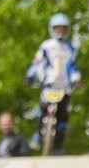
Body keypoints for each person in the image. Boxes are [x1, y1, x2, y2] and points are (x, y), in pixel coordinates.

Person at [24, 12, 81, 155]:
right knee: (43, 110)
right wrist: (31, 75)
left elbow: (73, 67)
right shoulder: (46, 46)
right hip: (48, 85)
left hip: (65, 87)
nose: (60, 31)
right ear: (52, 29)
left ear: (67, 30)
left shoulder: (71, 48)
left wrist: (76, 79)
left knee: (63, 118)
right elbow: (37, 63)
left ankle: (58, 147)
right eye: (57, 28)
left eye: (63, 28)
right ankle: (37, 136)